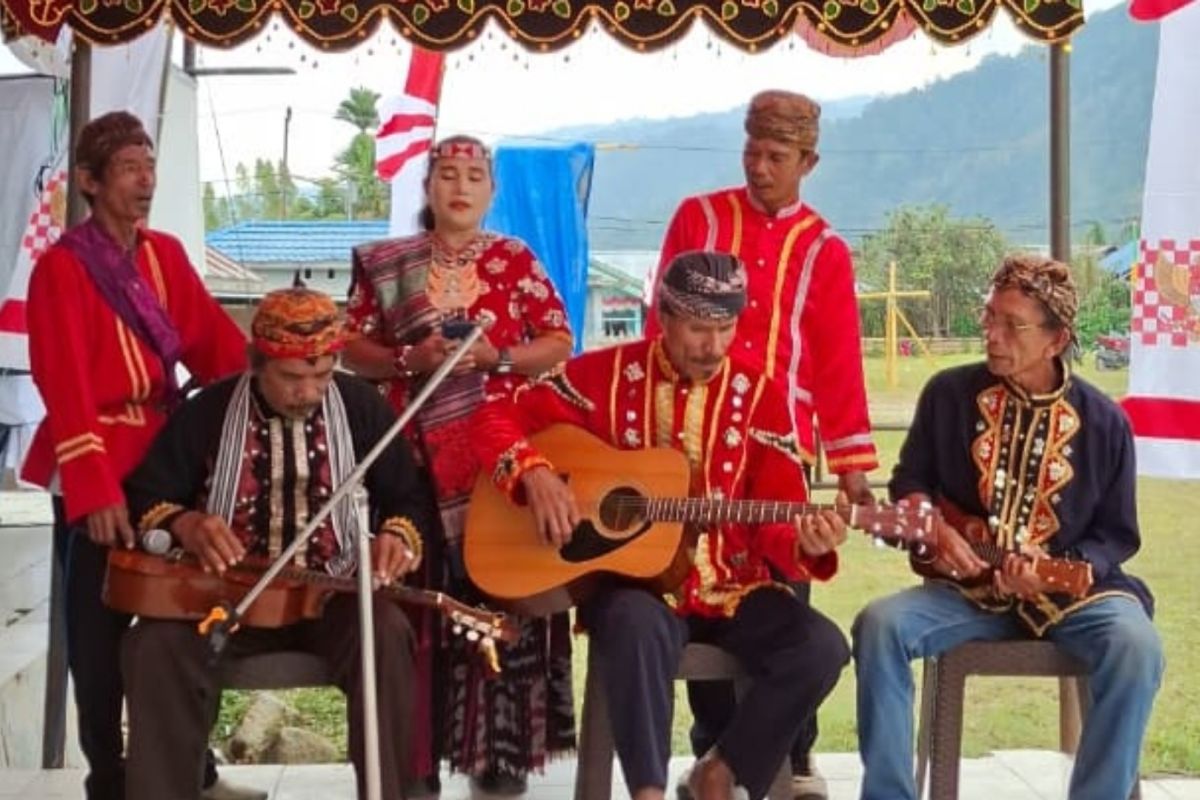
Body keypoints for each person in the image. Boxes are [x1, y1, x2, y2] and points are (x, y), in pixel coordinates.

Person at [473, 251, 851, 800]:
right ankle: (648, 792)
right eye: (699, 329)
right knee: (632, 623)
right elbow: (493, 416)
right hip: (637, 589)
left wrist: (802, 539)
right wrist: (534, 475)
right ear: (664, 318)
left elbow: (778, 513)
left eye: (726, 329)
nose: (714, 347)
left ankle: (720, 770)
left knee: (821, 647)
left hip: (732, 586)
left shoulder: (761, 397)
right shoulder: (602, 377)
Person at [852, 254, 1164, 800]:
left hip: (1075, 593)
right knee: (880, 624)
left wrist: (1053, 573)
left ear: (1056, 338)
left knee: (1136, 646)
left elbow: (1116, 535)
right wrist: (933, 529)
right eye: (989, 318)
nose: (992, 336)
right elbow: (910, 483)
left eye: (1011, 324)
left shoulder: (1105, 422)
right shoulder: (947, 395)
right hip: (965, 594)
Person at [644, 89, 877, 799]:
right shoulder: (700, 217)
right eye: (752, 150)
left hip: (777, 451)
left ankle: (790, 756)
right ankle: (713, 746)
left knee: (783, 593)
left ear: (809, 160)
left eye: (777, 156)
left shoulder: (825, 248)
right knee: (694, 588)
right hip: (685, 440)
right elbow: (664, 314)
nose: (761, 165)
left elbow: (837, 359)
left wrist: (853, 467)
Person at [20, 111, 255, 800]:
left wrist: (273, 379)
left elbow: (213, 343)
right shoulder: (62, 269)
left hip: (163, 459)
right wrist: (93, 491)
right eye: (129, 167)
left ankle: (194, 769)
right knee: (96, 637)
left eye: (149, 164)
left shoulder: (166, 256)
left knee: (186, 616)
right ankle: (108, 777)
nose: (146, 179)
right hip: (93, 460)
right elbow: (61, 382)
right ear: (90, 182)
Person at [120, 286, 430, 800]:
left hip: (332, 598)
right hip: (224, 602)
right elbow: (146, 498)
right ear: (255, 363)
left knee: (387, 632)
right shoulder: (209, 412)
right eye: (291, 377)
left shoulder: (361, 408)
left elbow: (407, 496)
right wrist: (186, 524)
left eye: (322, 374)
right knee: (153, 646)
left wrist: (397, 535)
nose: (308, 392)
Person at [342, 134, 575, 794]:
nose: (461, 187)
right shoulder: (390, 264)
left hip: (499, 470)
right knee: (420, 617)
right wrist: (400, 362)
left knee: (500, 608)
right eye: (448, 174)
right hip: (411, 470)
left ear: (492, 192)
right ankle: (416, 771)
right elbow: (347, 343)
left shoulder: (515, 261)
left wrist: (494, 360)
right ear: (428, 188)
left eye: (475, 176)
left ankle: (497, 767)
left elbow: (558, 343)